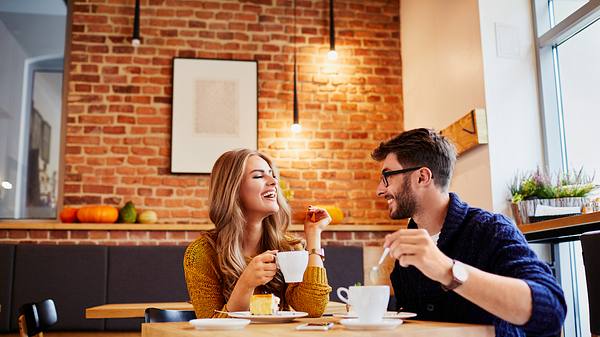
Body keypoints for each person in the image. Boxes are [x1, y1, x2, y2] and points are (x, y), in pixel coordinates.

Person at [372, 128, 566, 336]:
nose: (379, 190)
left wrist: (448, 270)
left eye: (387, 177)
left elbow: (551, 311)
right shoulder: (406, 256)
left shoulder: (491, 230)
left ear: (422, 177)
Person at [183, 149, 332, 318]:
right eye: (259, 176)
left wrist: (314, 235)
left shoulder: (288, 247)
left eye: (272, 174)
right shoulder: (202, 253)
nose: (274, 182)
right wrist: (246, 284)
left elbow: (313, 309)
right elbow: (211, 327)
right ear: (233, 189)